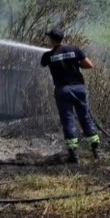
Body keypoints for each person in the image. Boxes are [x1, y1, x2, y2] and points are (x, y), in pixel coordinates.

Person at [40, 28, 101, 164]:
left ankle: (73, 155)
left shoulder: (48, 55)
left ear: (51, 39)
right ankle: (97, 152)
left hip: (63, 91)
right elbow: (89, 65)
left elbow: (43, 64)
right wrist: (75, 63)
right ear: (62, 38)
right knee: (85, 118)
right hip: (79, 88)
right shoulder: (74, 49)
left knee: (68, 121)